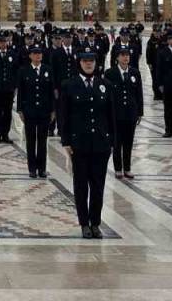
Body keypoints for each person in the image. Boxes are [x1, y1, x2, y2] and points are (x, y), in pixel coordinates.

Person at [58, 51, 115, 238]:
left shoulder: (105, 85)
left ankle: (95, 223)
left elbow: (110, 116)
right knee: (81, 185)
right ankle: (84, 223)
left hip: (100, 143)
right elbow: (63, 115)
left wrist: (111, 141)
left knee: (98, 185)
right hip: (79, 143)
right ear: (79, 62)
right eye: (85, 61)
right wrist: (66, 141)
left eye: (91, 61)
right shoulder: (69, 85)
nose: (88, 64)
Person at [103, 46, 143, 179]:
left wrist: (139, 112)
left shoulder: (135, 72)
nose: (126, 57)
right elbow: (107, 95)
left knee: (128, 142)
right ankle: (118, 168)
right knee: (116, 142)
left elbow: (139, 94)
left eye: (127, 55)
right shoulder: (110, 73)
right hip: (116, 113)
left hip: (130, 113)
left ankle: (127, 168)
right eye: (123, 55)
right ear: (117, 57)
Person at [14, 44, 53, 178]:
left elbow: (51, 92)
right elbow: (21, 92)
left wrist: (53, 110)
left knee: (43, 141)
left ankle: (42, 168)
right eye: (35, 53)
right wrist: (20, 109)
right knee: (30, 141)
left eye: (40, 53)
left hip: (44, 111)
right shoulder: (23, 71)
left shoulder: (48, 70)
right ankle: (32, 168)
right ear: (30, 55)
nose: (38, 55)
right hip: (29, 110)